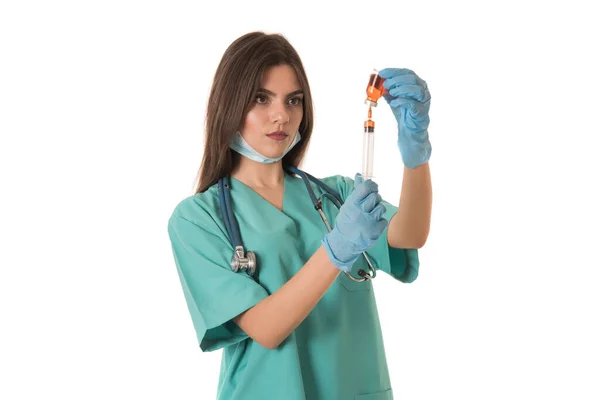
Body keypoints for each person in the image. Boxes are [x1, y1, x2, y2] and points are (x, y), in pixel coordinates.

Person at [167, 31, 433, 400]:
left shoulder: (336, 195)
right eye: (261, 98)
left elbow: (409, 235)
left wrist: (415, 155)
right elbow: (266, 327)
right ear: (229, 106)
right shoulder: (197, 219)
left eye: (294, 100)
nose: (281, 116)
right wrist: (337, 248)